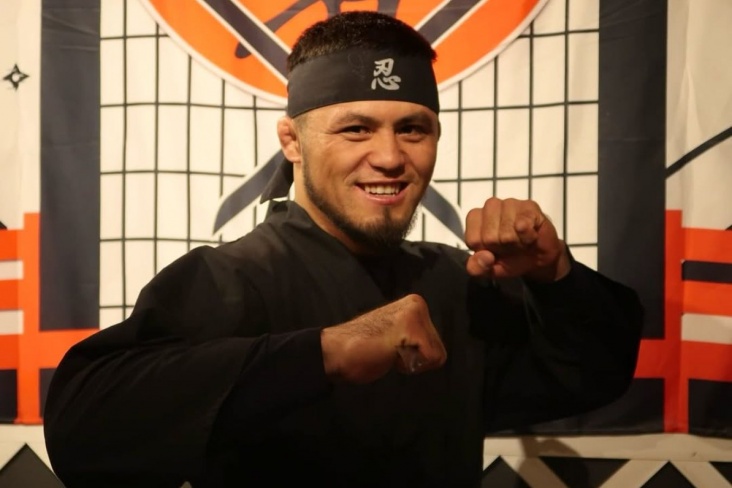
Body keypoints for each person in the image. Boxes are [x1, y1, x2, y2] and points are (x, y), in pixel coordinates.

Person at [43, 10, 643, 488]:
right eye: (356, 128)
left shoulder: (456, 281)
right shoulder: (228, 278)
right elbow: (83, 435)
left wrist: (553, 277)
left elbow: (590, 378)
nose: (389, 157)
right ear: (292, 142)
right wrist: (324, 352)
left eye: (412, 129)